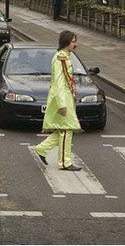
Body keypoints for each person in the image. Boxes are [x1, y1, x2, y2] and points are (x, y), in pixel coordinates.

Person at [34, 30, 83, 171]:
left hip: (66, 98)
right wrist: (62, 105)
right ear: (66, 42)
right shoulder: (61, 58)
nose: (76, 44)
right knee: (67, 130)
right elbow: (59, 82)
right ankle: (65, 162)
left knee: (65, 129)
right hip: (63, 99)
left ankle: (42, 149)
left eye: (75, 41)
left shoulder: (66, 56)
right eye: (73, 41)